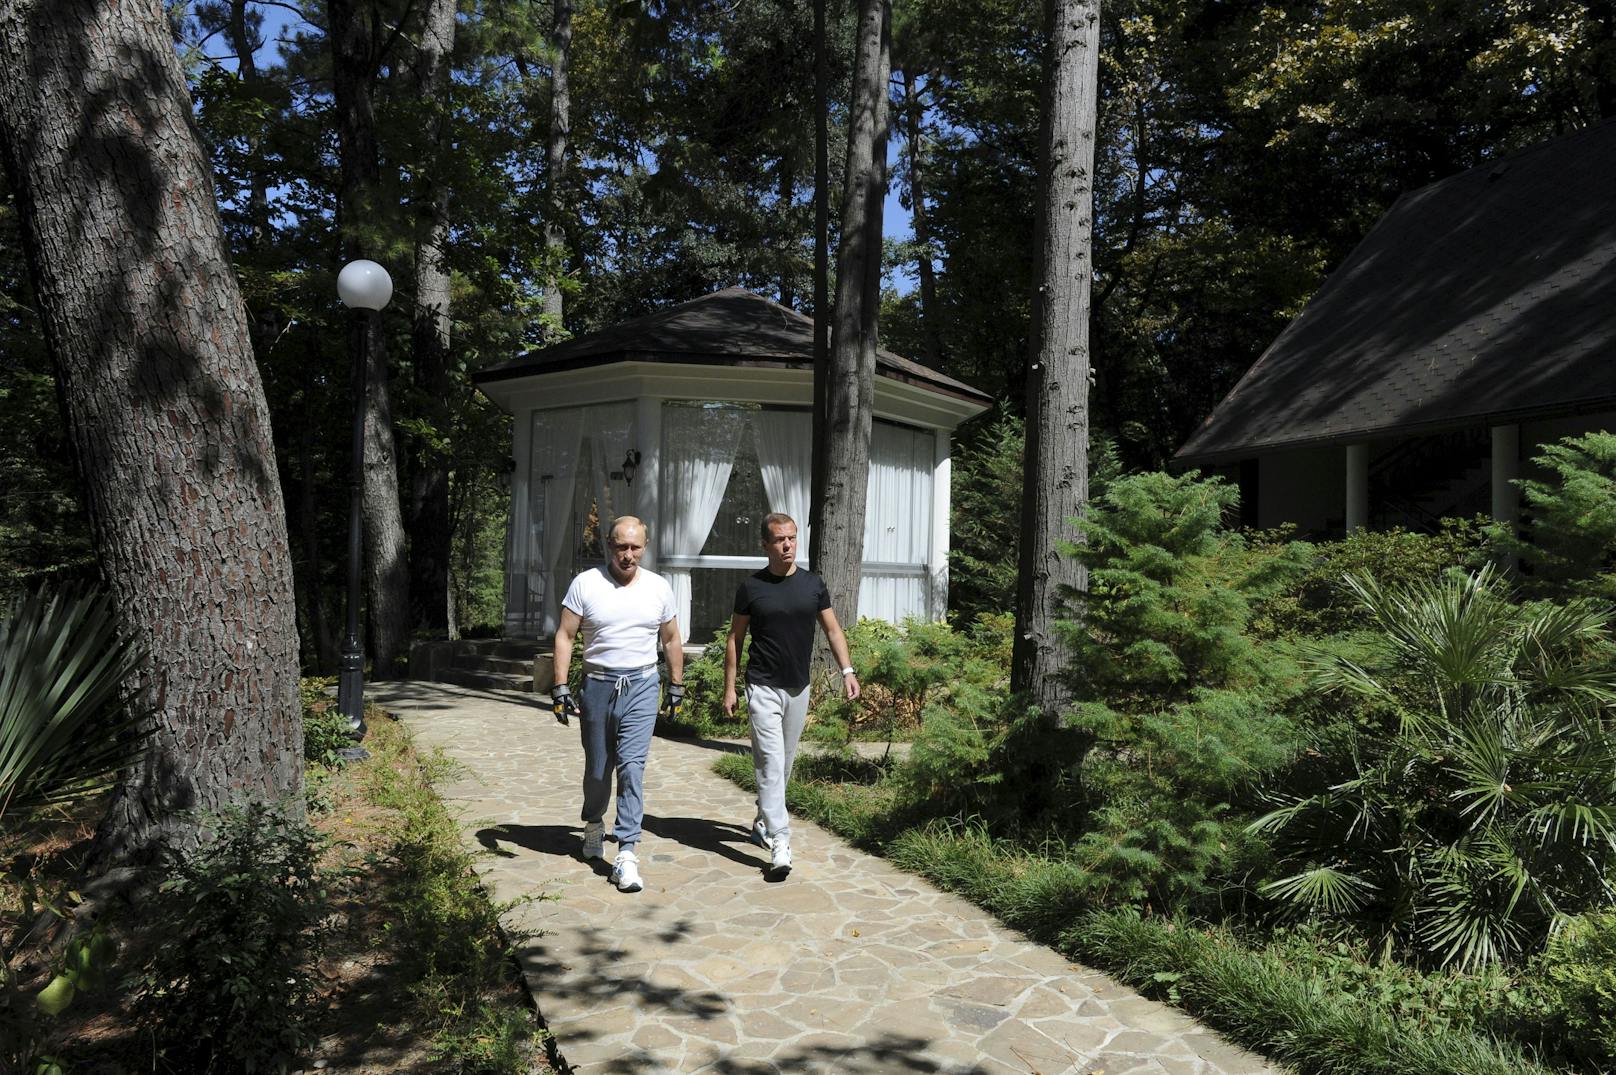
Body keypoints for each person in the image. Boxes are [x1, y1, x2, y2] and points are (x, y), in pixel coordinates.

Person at [550, 516, 684, 893]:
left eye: (635, 547)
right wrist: (560, 687)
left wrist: (676, 686)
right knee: (598, 770)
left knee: (631, 768)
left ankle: (626, 852)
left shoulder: (658, 588)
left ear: (645, 547)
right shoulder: (586, 584)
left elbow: (671, 640)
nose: (628, 555)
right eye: (621, 547)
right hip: (597, 685)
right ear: (609, 545)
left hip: (642, 684)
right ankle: (593, 823)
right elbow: (565, 635)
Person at [722, 512, 860, 878]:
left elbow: (832, 630)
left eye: (792, 539)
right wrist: (730, 686)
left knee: (784, 764)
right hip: (762, 685)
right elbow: (734, 639)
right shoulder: (751, 588)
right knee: (769, 763)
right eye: (779, 540)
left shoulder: (813, 585)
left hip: (798, 687)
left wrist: (847, 670)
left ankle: (763, 822)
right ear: (765, 545)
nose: (787, 546)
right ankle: (780, 841)